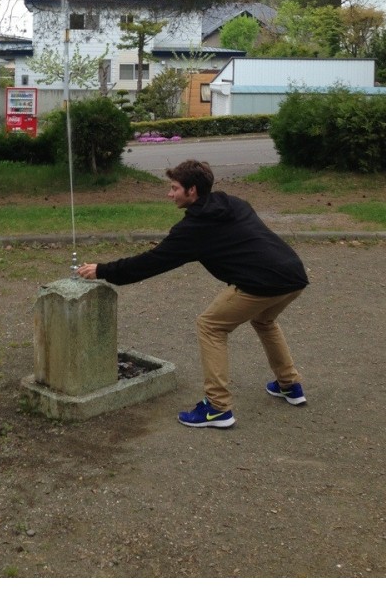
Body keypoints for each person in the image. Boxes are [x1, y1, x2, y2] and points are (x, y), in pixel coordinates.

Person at [76, 159, 308, 429]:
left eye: (174, 188)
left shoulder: (194, 229)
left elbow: (150, 263)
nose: (169, 194)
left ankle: (218, 408)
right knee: (264, 320)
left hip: (262, 283)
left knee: (210, 325)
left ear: (192, 191)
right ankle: (289, 385)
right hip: (294, 275)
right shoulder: (232, 203)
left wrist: (102, 270)